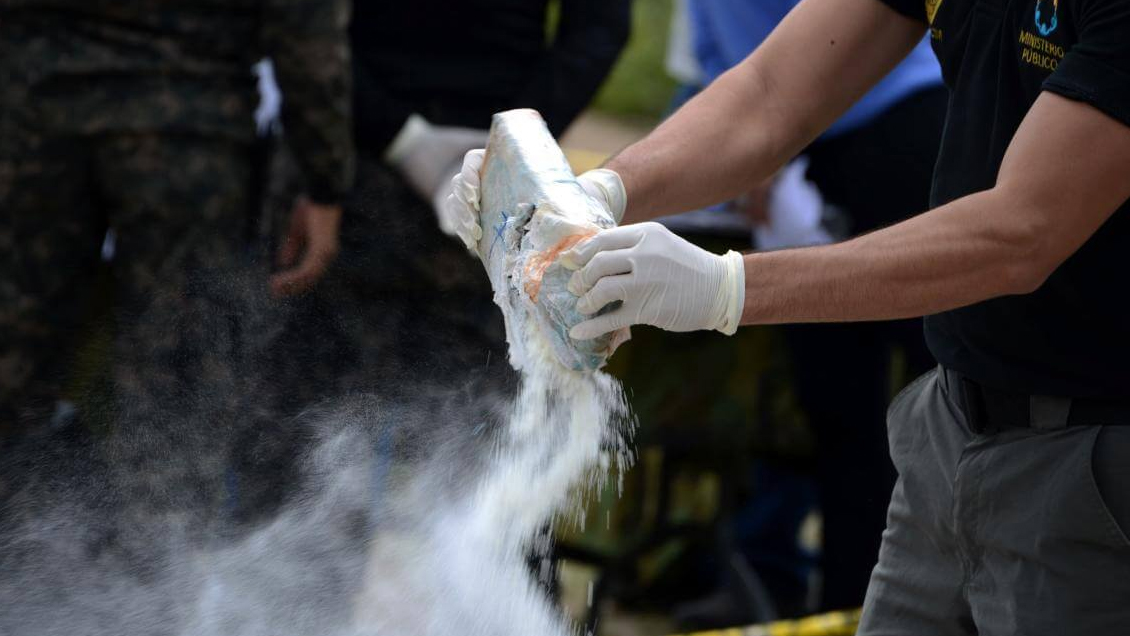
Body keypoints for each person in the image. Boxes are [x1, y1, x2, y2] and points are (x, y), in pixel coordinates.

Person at [446, 0, 1130, 632]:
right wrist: (597, 195)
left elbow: (1022, 232)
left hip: (1091, 461)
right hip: (954, 420)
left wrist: (725, 288)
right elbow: (770, 95)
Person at [688, 0, 947, 614]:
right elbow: (728, 63)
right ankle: (849, 604)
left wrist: (761, 151)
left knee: (941, 404)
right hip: (814, 146)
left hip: (888, 132)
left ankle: (903, 605)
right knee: (839, 415)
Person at [0, 1, 354, 446]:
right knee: (177, 379)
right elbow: (306, 28)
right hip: (186, 117)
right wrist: (326, 181)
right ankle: (170, 517)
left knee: (11, 359)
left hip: (28, 107)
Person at [288, 0, 630, 398]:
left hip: (359, 160)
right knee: (479, 412)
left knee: (318, 408)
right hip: (461, 185)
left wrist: (396, 136)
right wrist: (513, 140)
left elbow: (304, 28)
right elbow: (599, 30)